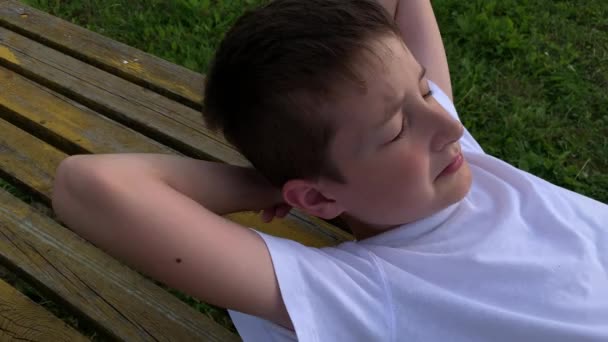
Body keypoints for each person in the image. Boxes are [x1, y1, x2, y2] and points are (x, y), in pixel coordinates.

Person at [51, 0, 608, 341]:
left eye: (423, 89)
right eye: (395, 130)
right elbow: (87, 184)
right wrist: (273, 187)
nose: (449, 125)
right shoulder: (370, 291)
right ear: (317, 199)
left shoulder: (452, 163)